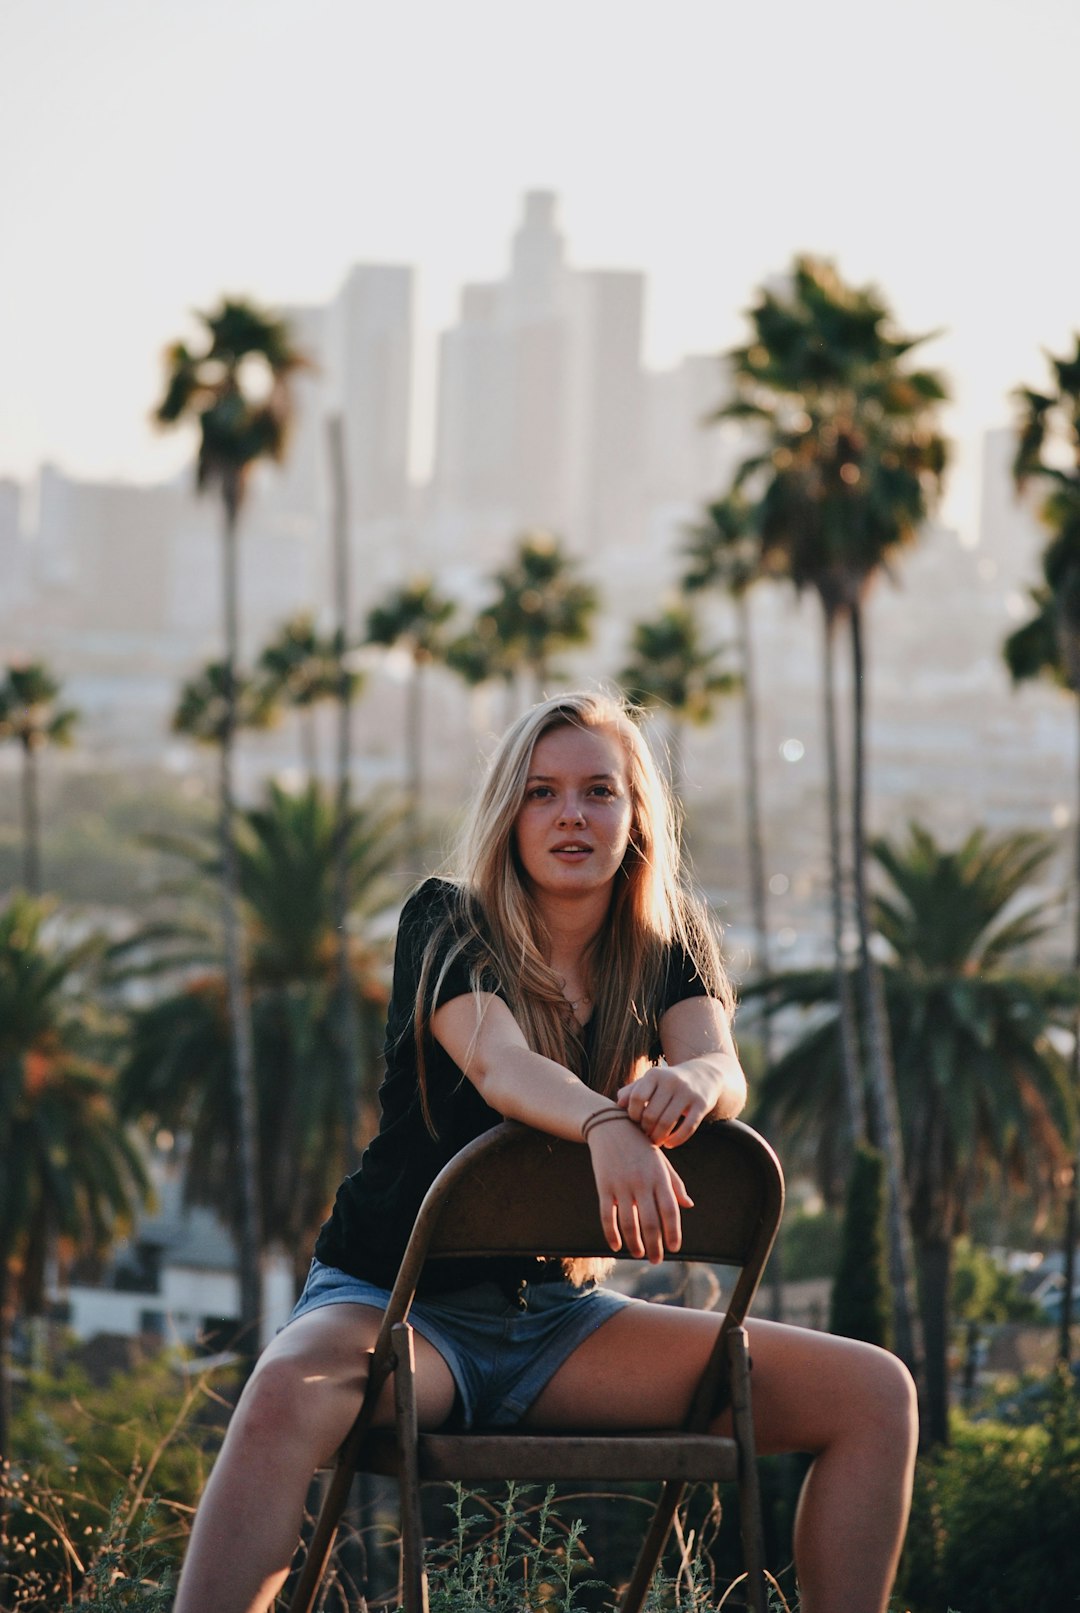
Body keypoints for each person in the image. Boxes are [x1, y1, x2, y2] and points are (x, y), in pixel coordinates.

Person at [173, 691, 918, 1613]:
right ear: (508, 815)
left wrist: (696, 1086)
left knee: (875, 1394)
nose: (572, 814)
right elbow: (498, 1062)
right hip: (396, 1309)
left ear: (635, 814)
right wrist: (609, 1122)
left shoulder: (668, 938)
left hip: (556, 1324)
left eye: (599, 790)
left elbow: (720, 1061)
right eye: (542, 792)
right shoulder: (446, 920)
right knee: (285, 1388)